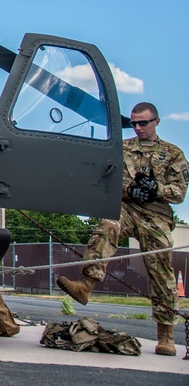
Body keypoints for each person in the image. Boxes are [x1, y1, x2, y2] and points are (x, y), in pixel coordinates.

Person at [57, 102, 189, 356]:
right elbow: (104, 180)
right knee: (107, 226)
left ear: (156, 122)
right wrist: (130, 189)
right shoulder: (121, 149)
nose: (138, 128)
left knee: (159, 263)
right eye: (134, 123)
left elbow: (179, 192)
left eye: (143, 123)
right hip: (126, 208)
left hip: (156, 214)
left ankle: (166, 334)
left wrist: (155, 189)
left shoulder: (173, 154)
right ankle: (86, 285)